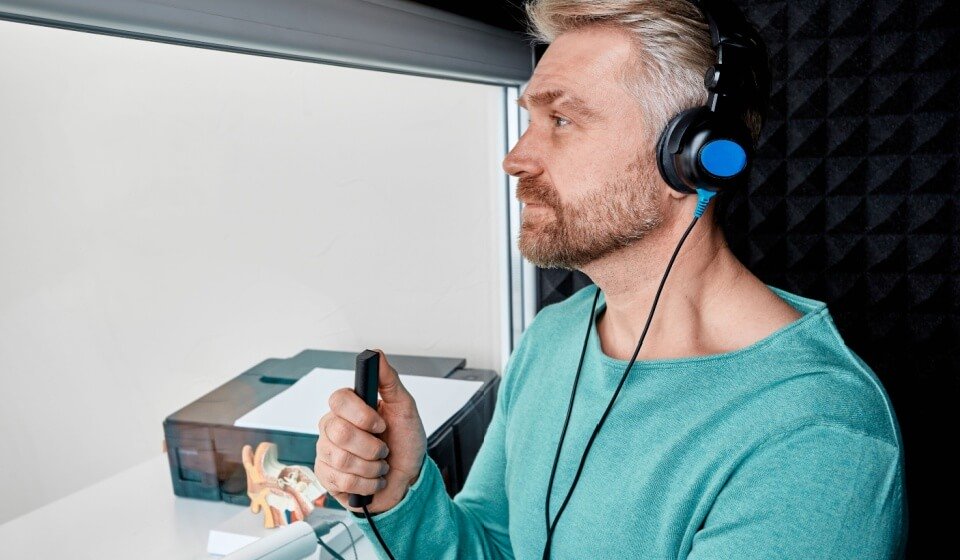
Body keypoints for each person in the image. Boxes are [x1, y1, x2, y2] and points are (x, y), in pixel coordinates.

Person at [313, 1, 907, 558]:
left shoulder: (816, 435)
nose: (516, 157)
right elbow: (496, 544)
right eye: (532, 120)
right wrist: (401, 491)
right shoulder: (555, 335)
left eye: (563, 118)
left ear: (695, 154)